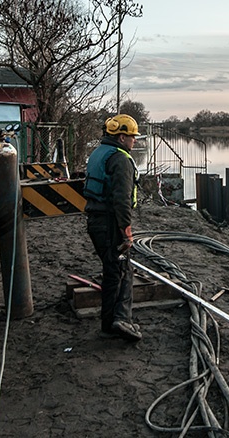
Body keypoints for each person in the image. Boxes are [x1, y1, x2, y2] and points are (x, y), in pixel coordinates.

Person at [84, 114, 143, 342]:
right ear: (121, 137)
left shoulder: (98, 153)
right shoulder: (120, 160)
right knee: (120, 270)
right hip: (110, 225)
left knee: (116, 270)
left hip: (96, 222)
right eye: (131, 137)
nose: (134, 141)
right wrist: (126, 232)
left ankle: (112, 322)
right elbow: (122, 200)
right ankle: (119, 321)